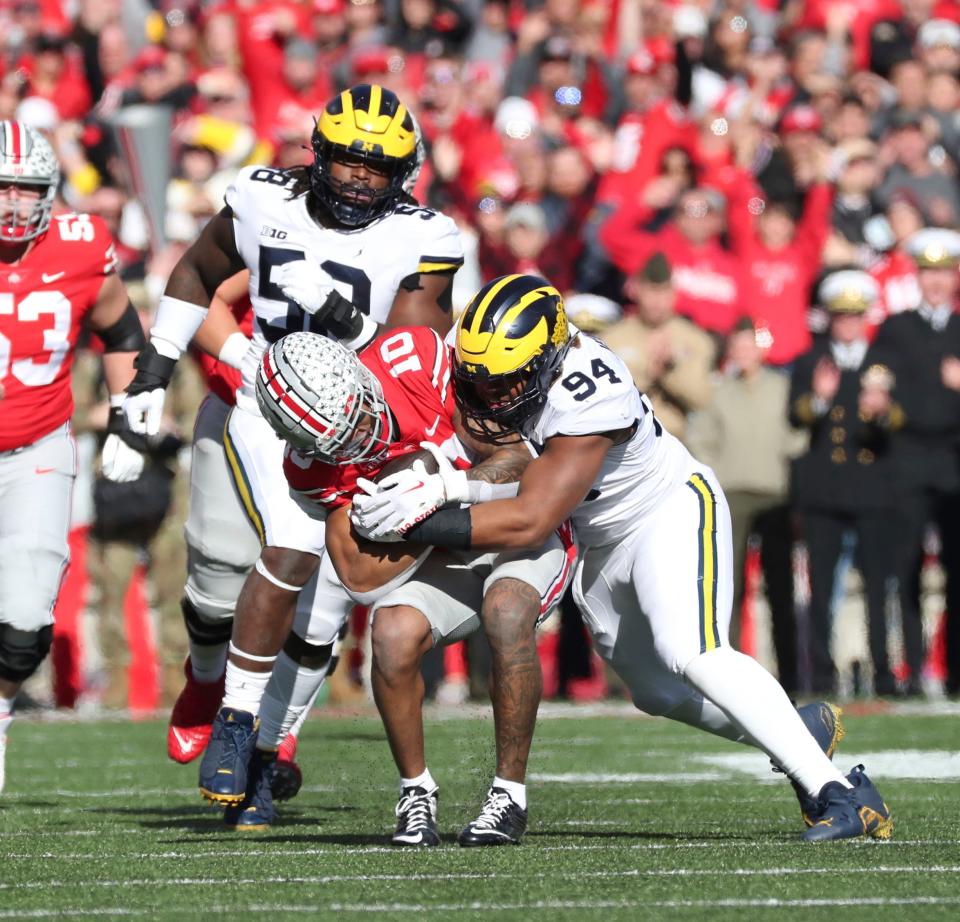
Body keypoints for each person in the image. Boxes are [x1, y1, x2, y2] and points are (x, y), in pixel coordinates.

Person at [352, 273, 893, 843]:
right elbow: (519, 468)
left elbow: (532, 516)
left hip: (665, 511)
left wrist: (427, 509)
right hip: (598, 534)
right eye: (481, 380)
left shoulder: (589, 390)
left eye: (507, 383)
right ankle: (798, 730)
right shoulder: (499, 367)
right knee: (656, 692)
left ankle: (836, 791)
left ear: (548, 357)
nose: (492, 397)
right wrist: (443, 485)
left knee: (693, 651)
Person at [115, 85, 464, 806]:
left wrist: (348, 324)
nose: (362, 181)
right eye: (348, 164)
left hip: (356, 418)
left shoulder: (423, 235)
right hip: (262, 400)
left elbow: (415, 344)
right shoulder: (262, 197)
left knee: (320, 593)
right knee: (272, 554)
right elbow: (196, 271)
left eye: (380, 169)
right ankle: (233, 714)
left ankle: (261, 746)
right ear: (319, 154)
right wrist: (154, 366)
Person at [253, 329, 569, 842]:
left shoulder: (413, 361)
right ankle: (415, 790)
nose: (360, 440)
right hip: (446, 551)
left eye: (356, 418)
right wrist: (416, 524)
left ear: (359, 378)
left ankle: (508, 795)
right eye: (339, 439)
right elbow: (356, 574)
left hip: (516, 529)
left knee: (506, 610)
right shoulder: (312, 467)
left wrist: (440, 483)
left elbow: (522, 462)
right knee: (392, 631)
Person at [0, 121, 145, 791]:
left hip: (35, 445)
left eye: (25, 189)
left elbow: (119, 327)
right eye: (1, 187)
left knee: (27, 620)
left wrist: (127, 419)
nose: (12, 203)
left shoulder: (84, 245)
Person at [789, 271, 905, 696]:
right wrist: (820, 398)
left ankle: (884, 673)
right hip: (825, 490)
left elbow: (899, 421)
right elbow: (796, 415)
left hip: (874, 489)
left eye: (855, 317)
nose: (848, 325)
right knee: (822, 588)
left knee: (878, 587)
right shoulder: (812, 360)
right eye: (841, 317)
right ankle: (821, 673)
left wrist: (881, 411)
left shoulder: (885, 361)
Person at [870, 229, 960, 696]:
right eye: (929, 272)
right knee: (903, 571)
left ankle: (954, 673)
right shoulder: (897, 326)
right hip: (906, 461)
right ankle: (909, 671)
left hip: (953, 464)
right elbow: (877, 383)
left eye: (944, 272)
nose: (937, 282)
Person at [686, 318, 800, 685]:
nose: (743, 352)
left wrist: (782, 464)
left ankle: (791, 672)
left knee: (781, 586)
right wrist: (719, 472)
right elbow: (700, 439)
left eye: (749, 345)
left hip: (775, 495)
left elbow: (798, 435)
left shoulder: (783, 388)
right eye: (737, 345)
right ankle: (729, 670)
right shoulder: (718, 391)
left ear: (762, 349)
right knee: (728, 586)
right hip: (731, 494)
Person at [601, 251, 715, 444]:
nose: (656, 301)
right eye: (650, 291)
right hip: (625, 443)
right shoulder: (612, 339)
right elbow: (604, 398)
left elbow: (703, 399)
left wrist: (669, 372)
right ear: (636, 290)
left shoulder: (695, 340)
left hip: (674, 440)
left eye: (663, 292)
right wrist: (647, 374)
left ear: (674, 293)